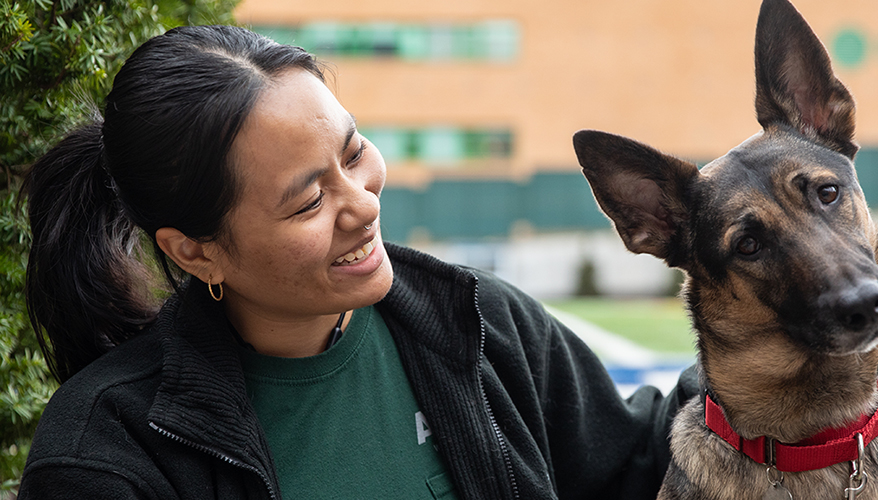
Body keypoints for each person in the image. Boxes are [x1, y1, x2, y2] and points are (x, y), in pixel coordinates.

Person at [19, 25, 697, 500]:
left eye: (352, 154)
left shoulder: (476, 322)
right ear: (194, 251)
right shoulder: (105, 452)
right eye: (309, 200)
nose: (362, 206)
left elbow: (639, 465)